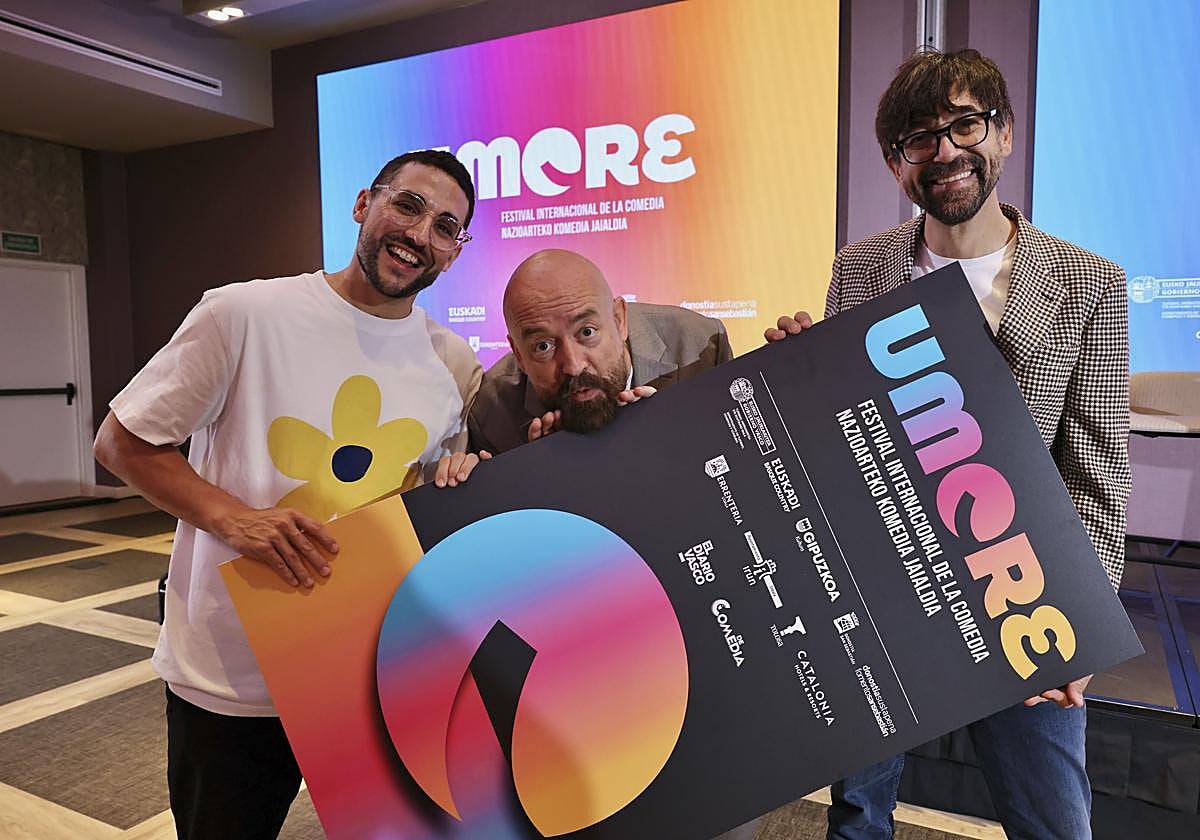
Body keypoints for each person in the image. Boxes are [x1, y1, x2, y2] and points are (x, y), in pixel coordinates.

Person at [768, 48, 1130, 840]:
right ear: (898, 165)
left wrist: (1085, 626)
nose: (944, 152)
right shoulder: (859, 269)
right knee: (858, 819)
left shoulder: (1089, 281)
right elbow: (838, 439)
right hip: (885, 592)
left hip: (1023, 596)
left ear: (1003, 133)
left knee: (1052, 823)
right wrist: (800, 371)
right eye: (916, 140)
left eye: (964, 124)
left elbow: (1096, 475)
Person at [93, 150, 482, 840]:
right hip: (232, 673)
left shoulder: (453, 363)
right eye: (408, 206)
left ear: (454, 254)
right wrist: (236, 520)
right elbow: (122, 443)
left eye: (446, 227)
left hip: (372, 672)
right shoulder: (243, 314)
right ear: (364, 204)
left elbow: (446, 491)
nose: (421, 234)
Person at [464, 248, 733, 456]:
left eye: (587, 332)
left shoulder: (699, 347)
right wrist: (541, 470)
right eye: (544, 346)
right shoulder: (493, 413)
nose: (573, 365)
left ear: (619, 320)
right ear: (518, 356)